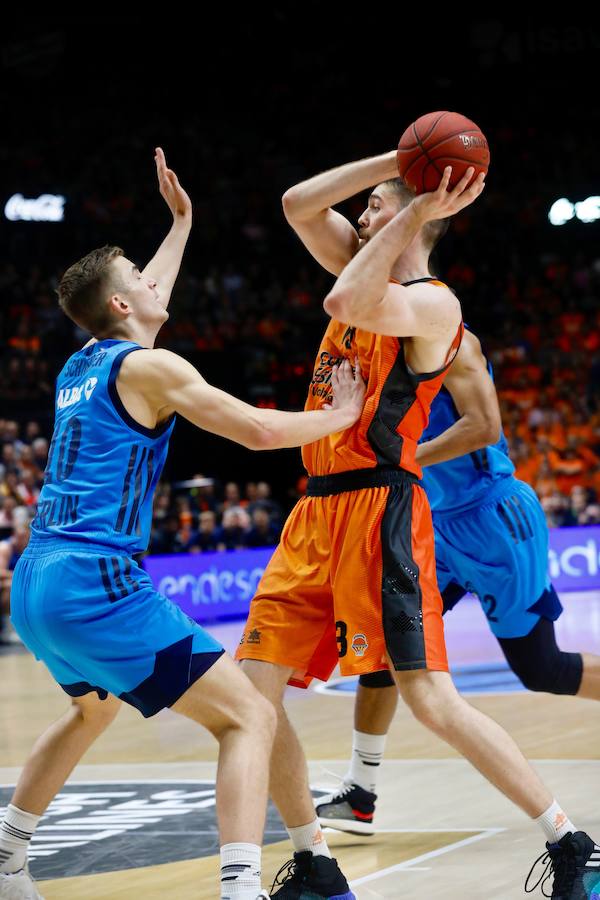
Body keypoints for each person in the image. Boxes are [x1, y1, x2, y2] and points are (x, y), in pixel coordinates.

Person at [0, 148, 365, 900]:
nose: (151, 280)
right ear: (125, 307)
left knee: (88, 711)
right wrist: (340, 415)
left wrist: (181, 221)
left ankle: (6, 859)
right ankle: (239, 889)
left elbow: (140, 295)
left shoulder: (83, 364)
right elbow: (256, 432)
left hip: (36, 580)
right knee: (245, 719)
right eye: (138, 276)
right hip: (97, 582)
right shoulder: (152, 370)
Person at [236, 150, 599, 899]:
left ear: (412, 219)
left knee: (443, 694)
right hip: (315, 510)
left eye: (374, 205)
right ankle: (316, 862)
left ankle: (572, 844)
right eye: (368, 206)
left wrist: (413, 209)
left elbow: (346, 305)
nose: (360, 214)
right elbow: (296, 200)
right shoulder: (364, 261)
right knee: (251, 696)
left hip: (387, 507)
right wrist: (398, 161)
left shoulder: (434, 307)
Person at [315, 326, 600, 836]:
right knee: (383, 642)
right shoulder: (377, 347)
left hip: (494, 519)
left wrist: (405, 460)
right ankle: (360, 794)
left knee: (542, 668)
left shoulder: (450, 340)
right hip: (437, 523)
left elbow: (485, 427)